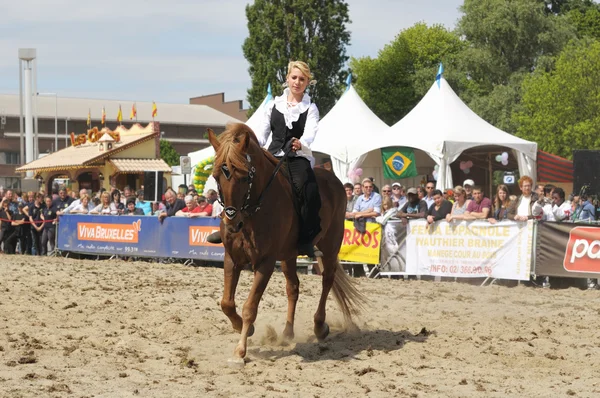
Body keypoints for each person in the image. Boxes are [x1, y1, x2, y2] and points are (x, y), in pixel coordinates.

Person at [209, 60, 322, 257]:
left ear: (307, 82)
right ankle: (226, 226)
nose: (297, 82)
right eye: (294, 77)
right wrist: (246, 148)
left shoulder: (310, 107)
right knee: (235, 179)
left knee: (309, 188)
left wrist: (301, 143)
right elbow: (261, 134)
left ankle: (306, 238)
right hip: (272, 154)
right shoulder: (273, 105)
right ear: (287, 79)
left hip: (297, 158)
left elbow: (311, 132)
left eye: (302, 79)